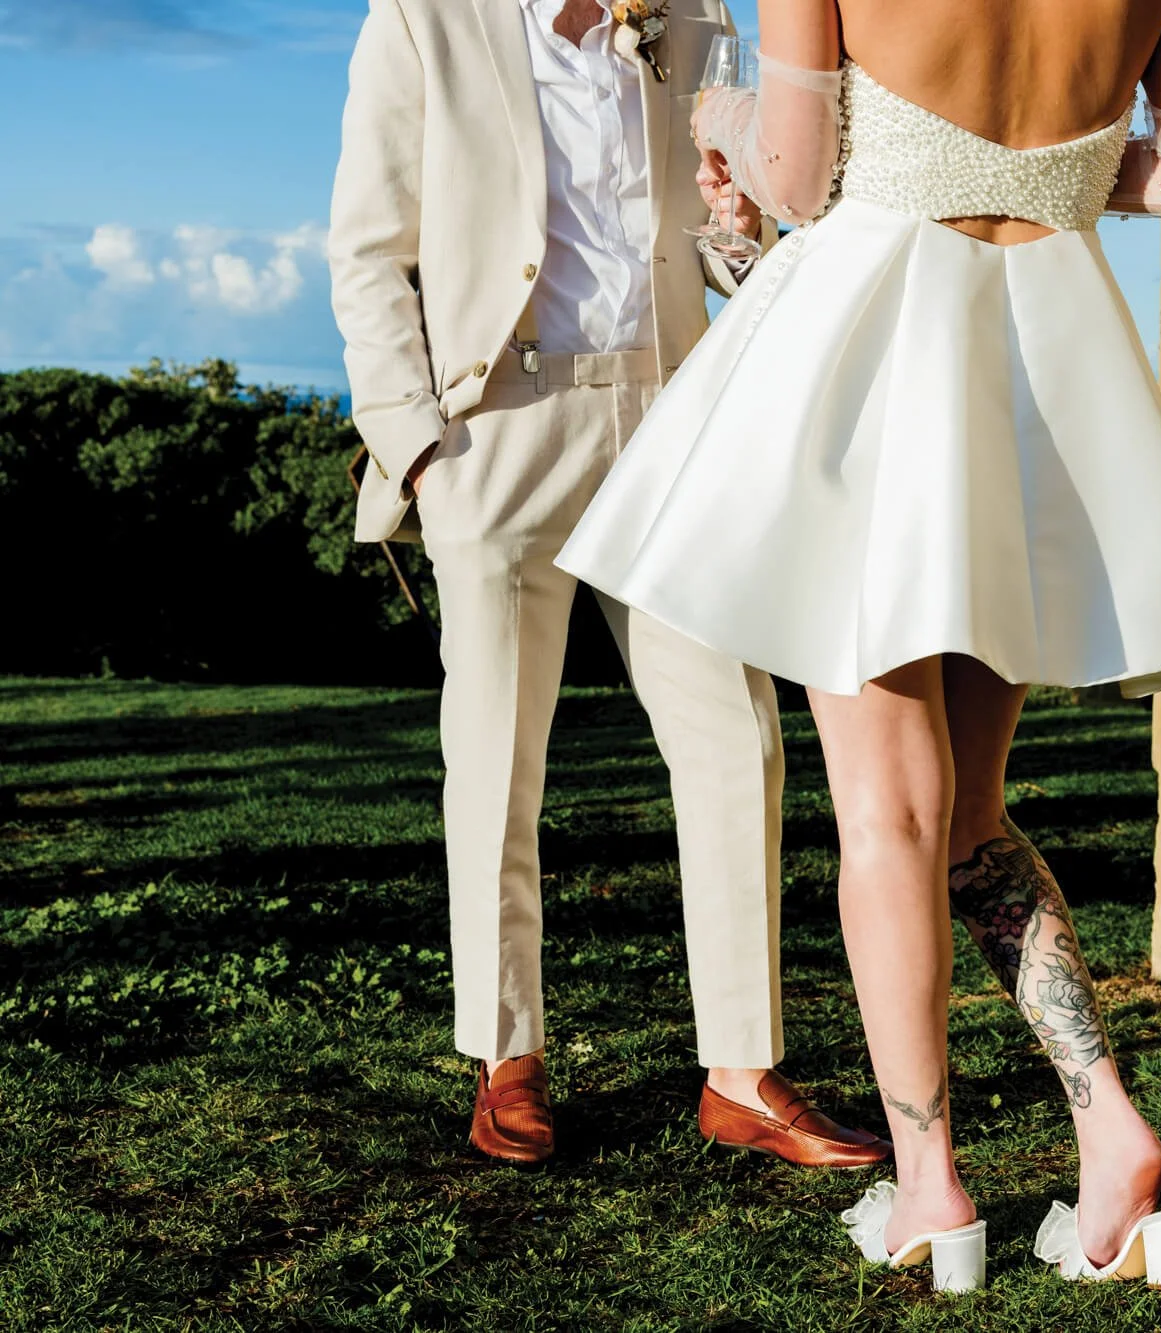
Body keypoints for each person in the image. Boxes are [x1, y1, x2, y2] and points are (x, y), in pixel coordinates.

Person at [558, 0, 1161, 1292]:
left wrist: (717, 120)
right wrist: (1052, 174)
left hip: (877, 352)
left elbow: (799, 173)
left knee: (889, 813)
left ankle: (930, 1187)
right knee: (972, 814)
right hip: (1041, 360)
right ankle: (1108, 1131)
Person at [328, 0, 888, 1172]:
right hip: (499, 432)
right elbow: (370, 248)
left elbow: (733, 249)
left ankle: (740, 1070)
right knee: (495, 757)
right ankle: (507, 1057)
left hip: (670, 417)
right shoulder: (424, 22)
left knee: (738, 740)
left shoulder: (690, 22)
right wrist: (420, 450)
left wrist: (742, 232)